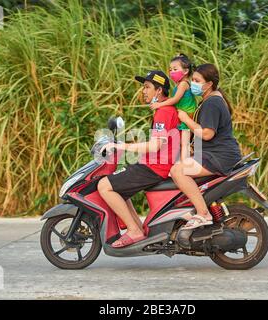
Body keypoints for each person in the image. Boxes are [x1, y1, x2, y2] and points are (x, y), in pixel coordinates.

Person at [97, 70, 180, 248]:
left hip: (156, 168)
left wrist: (120, 147)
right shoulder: (164, 110)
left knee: (104, 185)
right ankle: (137, 229)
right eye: (144, 87)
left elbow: (155, 146)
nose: (143, 91)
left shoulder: (164, 111)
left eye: (147, 87)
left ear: (159, 91)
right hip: (152, 164)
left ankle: (134, 231)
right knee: (118, 186)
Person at [169, 63, 242, 230]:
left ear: (208, 84)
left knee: (178, 171)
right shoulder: (211, 99)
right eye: (192, 79)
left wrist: (186, 120)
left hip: (220, 156)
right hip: (215, 153)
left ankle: (203, 213)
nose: (192, 83)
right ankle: (192, 210)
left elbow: (208, 134)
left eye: (196, 80)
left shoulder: (212, 103)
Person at [150, 53, 197, 160]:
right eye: (170, 69)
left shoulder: (184, 84)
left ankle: (184, 166)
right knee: (181, 142)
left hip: (187, 116)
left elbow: (175, 99)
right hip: (182, 116)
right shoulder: (178, 84)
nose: (171, 72)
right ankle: (182, 162)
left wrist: (159, 104)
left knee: (184, 143)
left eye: (175, 69)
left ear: (185, 71)